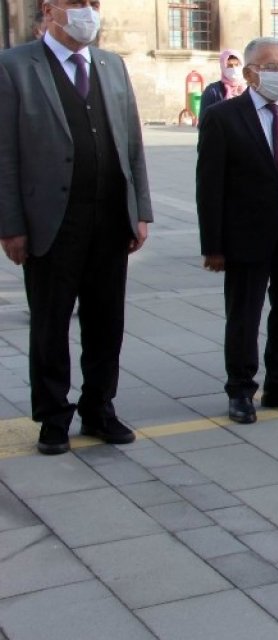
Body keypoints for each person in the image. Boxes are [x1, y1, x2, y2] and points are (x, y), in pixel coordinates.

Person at [0, 0, 153, 454]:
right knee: (50, 323)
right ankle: (52, 417)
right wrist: (10, 224)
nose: (87, 11)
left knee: (107, 321)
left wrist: (139, 209)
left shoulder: (110, 65)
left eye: (94, 3)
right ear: (49, 11)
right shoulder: (14, 66)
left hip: (109, 218)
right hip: (51, 220)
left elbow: (132, 142)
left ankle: (98, 408)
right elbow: (4, 153)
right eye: (76, 3)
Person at [196, 36, 278, 425]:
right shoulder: (224, 116)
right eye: (273, 67)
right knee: (244, 316)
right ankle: (240, 389)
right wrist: (213, 245)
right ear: (252, 72)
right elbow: (210, 185)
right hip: (246, 235)